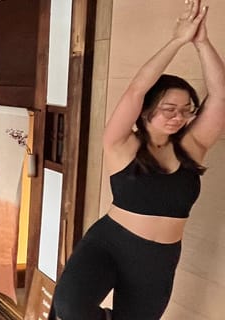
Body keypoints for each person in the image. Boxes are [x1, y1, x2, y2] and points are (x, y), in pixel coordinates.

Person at [50, 1, 224, 319]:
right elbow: (135, 90)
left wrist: (202, 42)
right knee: (69, 307)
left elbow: (221, 94)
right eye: (169, 108)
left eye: (186, 109)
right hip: (110, 243)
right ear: (147, 109)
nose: (179, 116)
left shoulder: (192, 146)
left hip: (159, 259)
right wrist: (176, 40)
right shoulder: (121, 145)